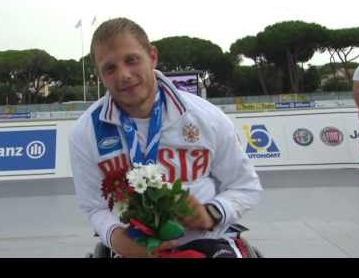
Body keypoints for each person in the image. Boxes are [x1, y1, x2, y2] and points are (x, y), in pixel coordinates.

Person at [69, 17, 263, 258]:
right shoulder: (84, 132)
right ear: (100, 75)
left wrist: (211, 213)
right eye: (110, 68)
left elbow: (245, 186)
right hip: (133, 247)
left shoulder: (207, 117)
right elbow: (94, 207)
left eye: (131, 60)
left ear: (152, 56)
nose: (124, 75)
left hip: (208, 239)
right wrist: (118, 240)